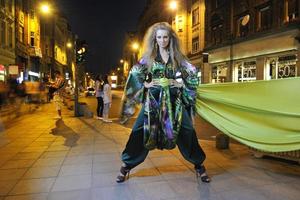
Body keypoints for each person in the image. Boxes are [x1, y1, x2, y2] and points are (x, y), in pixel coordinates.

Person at [116, 22, 210, 183]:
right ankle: (127, 165)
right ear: (155, 39)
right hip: (152, 101)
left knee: (187, 130)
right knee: (139, 130)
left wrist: (181, 84)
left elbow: (193, 74)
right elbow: (135, 74)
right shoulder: (148, 58)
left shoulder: (178, 58)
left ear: (170, 38)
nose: (162, 40)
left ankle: (199, 165)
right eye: (159, 37)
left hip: (175, 101)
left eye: (165, 37)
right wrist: (145, 85)